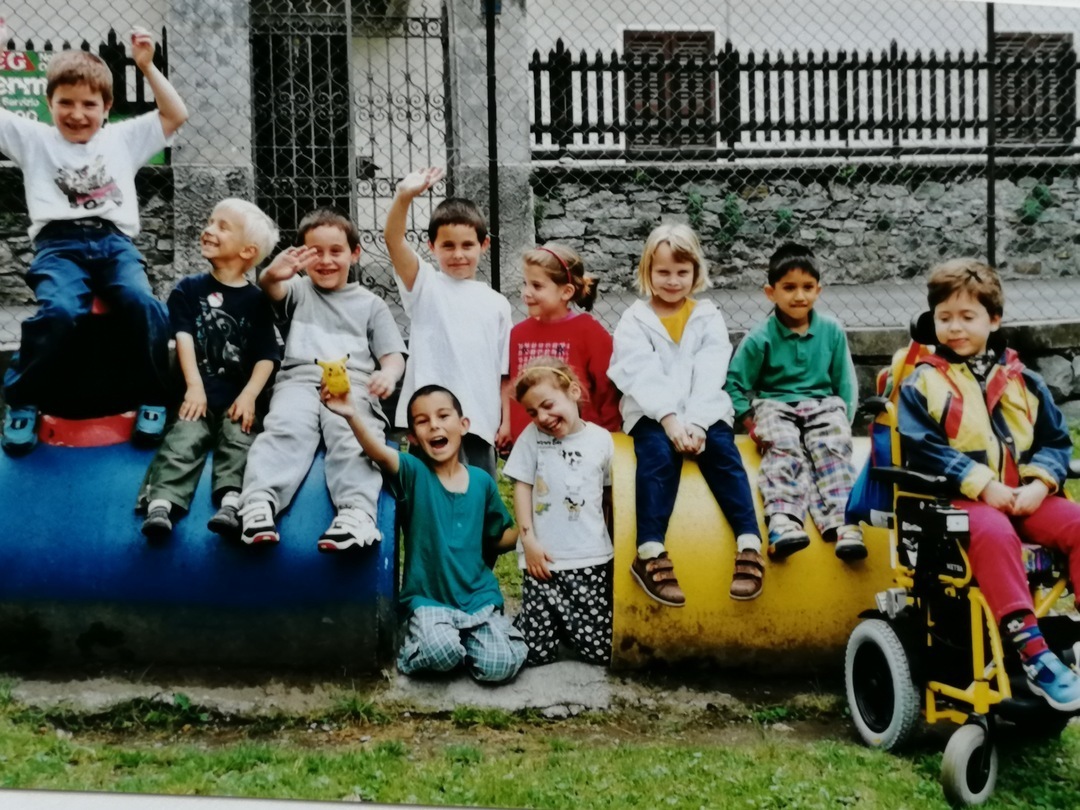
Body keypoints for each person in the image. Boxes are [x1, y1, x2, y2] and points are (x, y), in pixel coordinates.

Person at [898, 258, 1080, 712]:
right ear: (932, 320)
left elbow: (1056, 442)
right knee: (995, 533)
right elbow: (923, 448)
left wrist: (1040, 485)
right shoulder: (923, 383)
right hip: (960, 502)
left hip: (1025, 495)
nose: (955, 328)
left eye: (967, 317)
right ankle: (1033, 654)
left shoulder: (1025, 381)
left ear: (993, 320)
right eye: (944, 318)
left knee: (1078, 523)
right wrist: (982, 485)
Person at [0, 29, 188, 455]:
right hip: (59, 244)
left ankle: (153, 397)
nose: (77, 113)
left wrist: (146, 65)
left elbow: (176, 114)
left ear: (107, 108)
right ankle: (23, 398)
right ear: (49, 105)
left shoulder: (122, 137)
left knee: (144, 305)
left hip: (115, 241)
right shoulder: (33, 139)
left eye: (89, 104)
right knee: (61, 310)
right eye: (65, 102)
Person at [323, 382, 527, 682]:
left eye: (443, 416)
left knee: (501, 665)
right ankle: (434, 643)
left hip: (478, 599)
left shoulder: (482, 482)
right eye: (422, 421)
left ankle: (475, 643)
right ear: (412, 437)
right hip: (429, 601)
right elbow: (378, 453)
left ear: (463, 424)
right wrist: (352, 414)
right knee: (441, 653)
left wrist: (533, 529)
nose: (434, 426)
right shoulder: (413, 473)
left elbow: (499, 537)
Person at [608, 223, 765, 605]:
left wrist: (694, 422)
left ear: (696, 272)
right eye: (663, 272)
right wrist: (670, 420)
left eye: (682, 272)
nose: (673, 281)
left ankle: (749, 541)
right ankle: (649, 551)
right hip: (651, 414)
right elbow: (639, 373)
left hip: (703, 410)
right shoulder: (634, 320)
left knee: (725, 457)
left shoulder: (707, 315)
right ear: (648, 271)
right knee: (657, 458)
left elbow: (712, 370)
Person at [236, 209, 406, 551]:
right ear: (301, 256)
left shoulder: (371, 304)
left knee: (351, 436)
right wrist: (272, 273)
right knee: (285, 427)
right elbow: (272, 288)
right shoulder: (299, 290)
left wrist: (387, 374)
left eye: (336, 251)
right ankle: (259, 503)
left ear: (354, 253)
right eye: (316, 252)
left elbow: (393, 354)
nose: (326, 261)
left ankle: (357, 513)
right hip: (297, 381)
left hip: (352, 386)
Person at [135, 200, 281, 539]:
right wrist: (194, 386)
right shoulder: (189, 289)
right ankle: (162, 504)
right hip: (195, 397)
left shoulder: (257, 301)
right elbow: (183, 339)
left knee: (240, 440)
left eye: (222, 226)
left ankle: (231, 503)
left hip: (236, 402)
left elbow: (267, 356)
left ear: (248, 251)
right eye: (210, 221)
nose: (209, 230)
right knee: (182, 438)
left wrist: (248, 396)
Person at [725, 243, 865, 561]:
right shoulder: (760, 336)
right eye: (789, 288)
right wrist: (750, 421)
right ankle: (783, 520)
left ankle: (844, 523)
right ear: (770, 292)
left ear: (818, 290)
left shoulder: (831, 331)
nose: (799, 296)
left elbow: (845, 383)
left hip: (822, 405)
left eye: (807, 287)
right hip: (775, 405)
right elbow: (733, 383)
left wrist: (844, 421)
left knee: (831, 448)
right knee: (784, 447)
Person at [384, 166, 511, 481]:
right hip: (429, 421)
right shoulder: (424, 284)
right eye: (448, 246)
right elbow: (393, 240)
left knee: (479, 504)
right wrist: (404, 197)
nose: (458, 254)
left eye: (467, 245)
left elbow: (505, 373)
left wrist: (507, 421)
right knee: (427, 502)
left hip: (479, 421)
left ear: (484, 245)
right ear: (431, 247)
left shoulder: (498, 304)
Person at [503, 359, 614, 666]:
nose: (543, 417)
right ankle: (534, 626)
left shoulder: (602, 440)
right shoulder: (531, 438)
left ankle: (572, 628)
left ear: (574, 392)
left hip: (589, 559)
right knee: (535, 654)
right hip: (543, 562)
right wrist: (529, 541)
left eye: (548, 405)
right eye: (533, 412)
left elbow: (608, 497)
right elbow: (522, 486)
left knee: (599, 652)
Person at [496, 243, 621, 452]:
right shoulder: (518, 334)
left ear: (566, 291)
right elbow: (511, 385)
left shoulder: (589, 331)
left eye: (536, 286)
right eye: (524, 283)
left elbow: (606, 388)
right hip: (529, 443)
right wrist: (507, 426)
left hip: (578, 444)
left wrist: (606, 434)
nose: (526, 293)